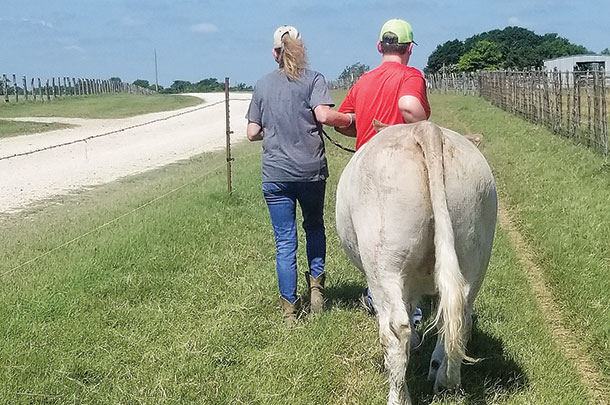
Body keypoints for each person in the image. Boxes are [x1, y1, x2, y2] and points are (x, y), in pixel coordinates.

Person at [246, 25, 353, 326]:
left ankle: (290, 310)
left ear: (274, 53)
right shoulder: (314, 79)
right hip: (310, 172)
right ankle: (317, 292)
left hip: (275, 174)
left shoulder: (262, 85)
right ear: (300, 48)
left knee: (284, 241)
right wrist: (352, 120)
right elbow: (322, 116)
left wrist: (273, 128)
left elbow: (252, 132)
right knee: (314, 227)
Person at [336, 19, 431, 324]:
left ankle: (377, 295)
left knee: (372, 235)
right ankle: (411, 311)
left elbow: (347, 120)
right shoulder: (411, 76)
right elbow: (409, 107)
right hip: (404, 166)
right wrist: (422, 123)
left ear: (380, 47)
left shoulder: (363, 81)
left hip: (365, 169)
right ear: (409, 49)